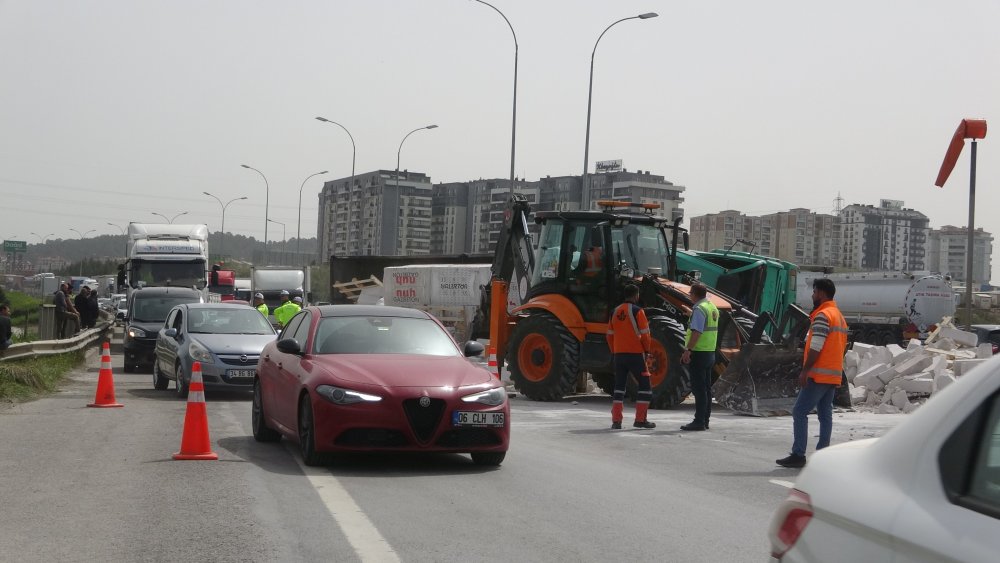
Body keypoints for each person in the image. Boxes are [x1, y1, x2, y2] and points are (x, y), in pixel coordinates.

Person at [776, 278, 848, 468]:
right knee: (825, 415)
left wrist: (805, 370)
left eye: (814, 291)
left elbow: (816, 346)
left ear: (822, 293)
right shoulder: (838, 315)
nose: (812, 295)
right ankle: (823, 455)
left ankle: (798, 454)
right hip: (832, 375)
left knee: (799, 411)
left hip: (818, 375)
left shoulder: (823, 315)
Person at [606, 284, 656, 430]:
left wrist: (614, 351)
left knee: (619, 387)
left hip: (619, 355)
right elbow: (645, 334)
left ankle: (616, 421)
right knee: (645, 386)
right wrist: (646, 350)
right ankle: (640, 420)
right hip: (635, 355)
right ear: (636, 295)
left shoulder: (614, 311)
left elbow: (609, 335)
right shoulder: (637, 311)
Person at [680, 282, 719, 431]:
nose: (690, 295)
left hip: (699, 353)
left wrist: (688, 350)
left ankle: (698, 421)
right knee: (706, 389)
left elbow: (697, 332)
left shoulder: (699, 309)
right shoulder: (711, 307)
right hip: (709, 352)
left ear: (695, 294)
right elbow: (706, 325)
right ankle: (705, 420)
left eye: (690, 293)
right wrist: (691, 314)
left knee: (699, 389)